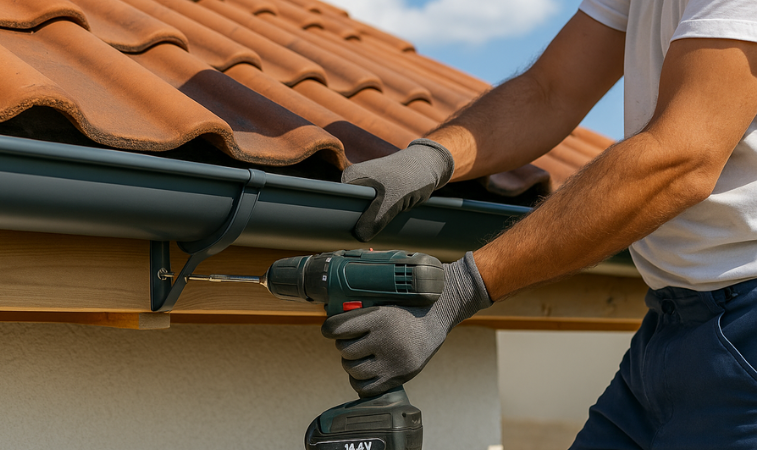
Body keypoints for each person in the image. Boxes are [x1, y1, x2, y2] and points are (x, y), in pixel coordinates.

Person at [321, 1, 757, 447]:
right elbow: (551, 89)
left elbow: (680, 159)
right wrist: (431, 158)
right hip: (670, 322)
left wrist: (459, 290)